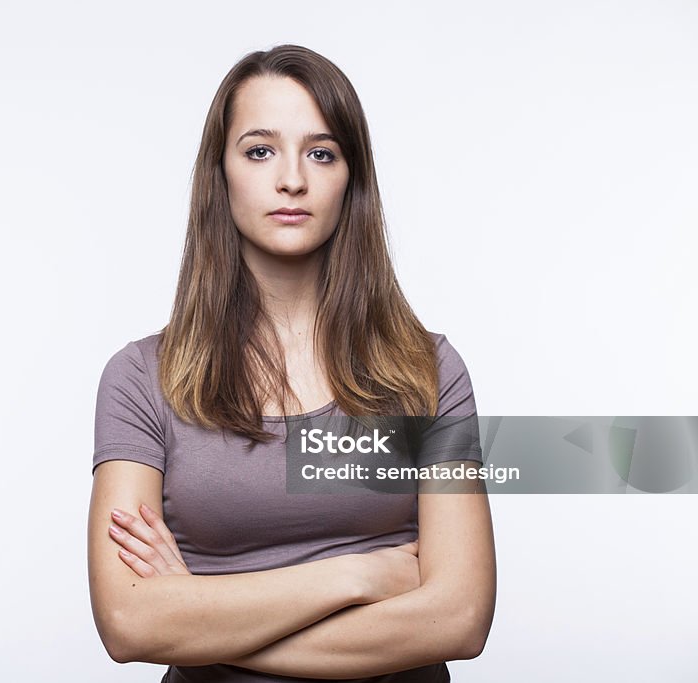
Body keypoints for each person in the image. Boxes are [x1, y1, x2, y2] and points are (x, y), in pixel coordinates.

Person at [88, 44, 496, 683]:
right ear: (219, 174)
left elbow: (461, 618)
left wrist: (198, 620)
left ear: (350, 178)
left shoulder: (430, 371)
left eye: (321, 152)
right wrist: (360, 574)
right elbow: (128, 624)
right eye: (259, 150)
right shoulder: (142, 379)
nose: (292, 180)